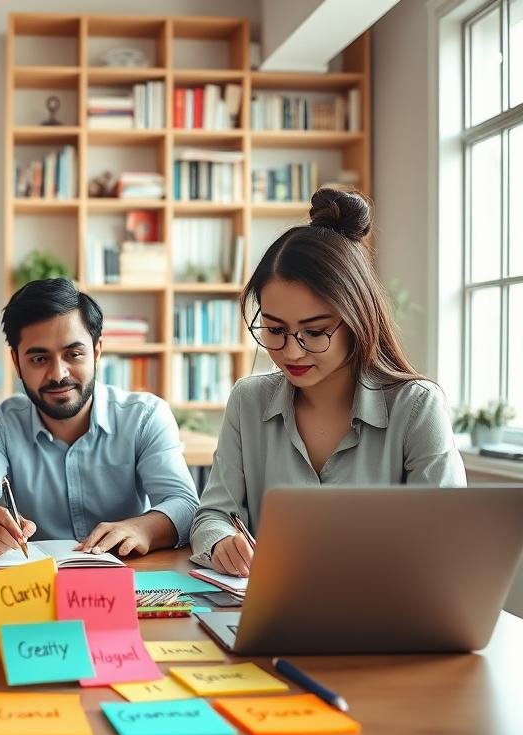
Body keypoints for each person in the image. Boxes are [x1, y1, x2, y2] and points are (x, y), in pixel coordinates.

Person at [190, 188, 466, 577]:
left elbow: (448, 541)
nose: (292, 352)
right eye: (274, 330)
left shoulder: (416, 407)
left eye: (315, 332)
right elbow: (213, 515)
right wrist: (221, 541)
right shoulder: (248, 400)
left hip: (386, 617)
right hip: (268, 616)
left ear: (357, 320)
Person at [0, 278, 199, 558]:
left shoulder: (144, 416)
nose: (58, 374)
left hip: (127, 582)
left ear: (97, 351)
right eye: (39, 359)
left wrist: (143, 528)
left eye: (73, 354)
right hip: (33, 587)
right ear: (16, 362)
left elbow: (184, 504)